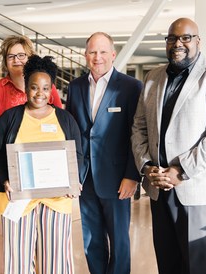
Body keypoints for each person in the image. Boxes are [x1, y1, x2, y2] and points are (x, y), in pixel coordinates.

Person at [131, 18, 206, 274]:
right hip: (159, 187)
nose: (178, 43)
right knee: (167, 261)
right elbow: (139, 128)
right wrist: (147, 166)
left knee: (196, 264)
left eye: (185, 38)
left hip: (197, 187)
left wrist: (180, 171)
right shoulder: (153, 77)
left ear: (197, 41)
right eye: (172, 38)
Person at [0, 55, 82, 274]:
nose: (40, 93)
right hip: (19, 201)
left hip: (56, 201)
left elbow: (78, 154)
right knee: (17, 262)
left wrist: (75, 180)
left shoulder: (65, 119)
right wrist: (5, 179)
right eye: (34, 87)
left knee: (56, 262)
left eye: (45, 88)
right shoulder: (9, 118)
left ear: (52, 89)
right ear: (26, 87)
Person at [0, 35, 63, 273]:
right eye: (11, 56)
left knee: (43, 229)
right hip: (8, 173)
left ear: (30, 57)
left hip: (43, 172)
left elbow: (59, 123)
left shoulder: (48, 87)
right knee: (6, 229)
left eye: (21, 55)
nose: (17, 60)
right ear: (5, 61)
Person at [65, 32, 142, 274]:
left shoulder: (130, 87)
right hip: (84, 179)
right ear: (85, 55)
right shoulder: (76, 87)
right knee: (91, 240)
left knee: (119, 241)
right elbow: (71, 133)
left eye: (102, 52)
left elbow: (138, 134)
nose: (97, 57)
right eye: (92, 52)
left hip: (118, 178)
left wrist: (132, 175)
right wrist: (71, 174)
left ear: (113, 54)